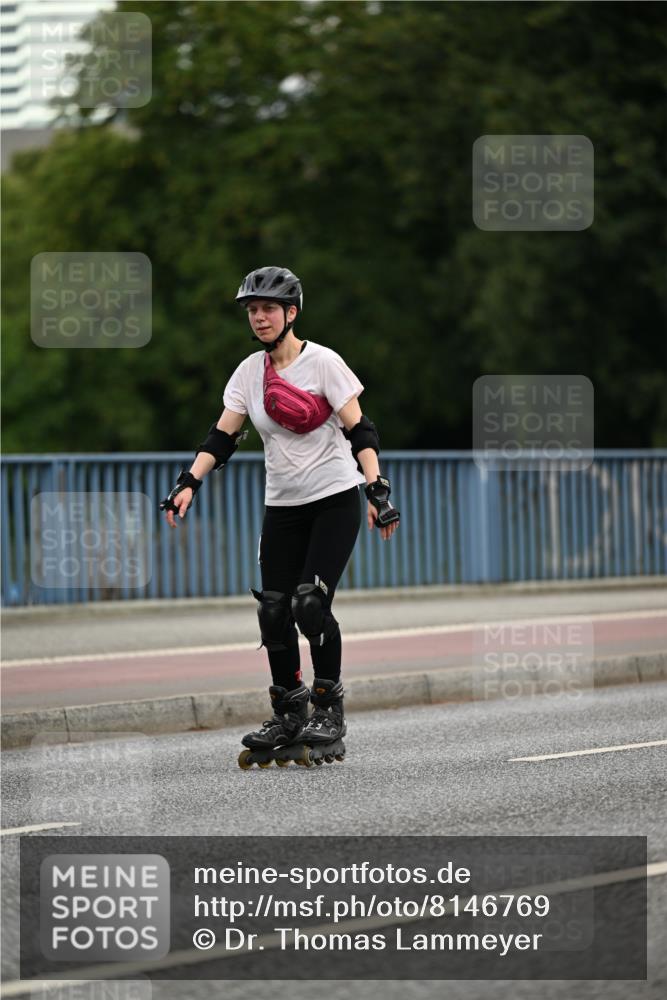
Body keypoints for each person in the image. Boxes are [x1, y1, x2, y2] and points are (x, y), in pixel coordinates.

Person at [160, 266, 399, 767]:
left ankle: (328, 709)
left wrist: (377, 491)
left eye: (268, 308)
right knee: (273, 610)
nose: (259, 317)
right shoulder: (249, 372)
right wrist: (188, 483)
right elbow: (222, 436)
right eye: (252, 310)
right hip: (283, 506)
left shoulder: (324, 363)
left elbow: (361, 430)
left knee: (308, 603)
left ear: (291, 313)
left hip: (334, 499)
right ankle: (289, 712)